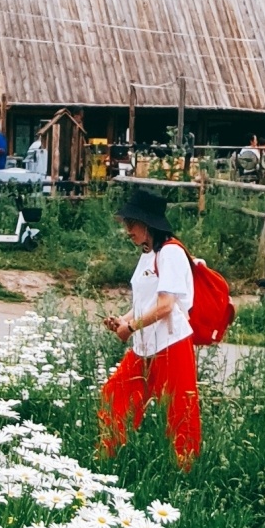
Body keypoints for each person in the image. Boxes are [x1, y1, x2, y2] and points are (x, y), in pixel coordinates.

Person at [97, 187, 201, 467]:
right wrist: (123, 319)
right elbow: (146, 301)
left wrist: (130, 327)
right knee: (113, 394)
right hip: (146, 346)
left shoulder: (171, 253)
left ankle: (185, 472)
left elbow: (167, 305)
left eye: (131, 224)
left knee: (180, 412)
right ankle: (108, 459)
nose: (127, 230)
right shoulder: (148, 253)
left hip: (171, 344)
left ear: (146, 223)